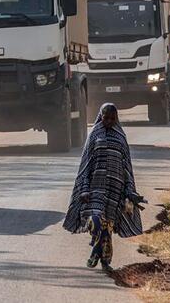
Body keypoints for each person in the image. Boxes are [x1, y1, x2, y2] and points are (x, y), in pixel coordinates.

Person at [63, 103, 144, 272]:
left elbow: (127, 167)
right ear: (100, 116)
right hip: (94, 188)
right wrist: (84, 189)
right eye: (106, 118)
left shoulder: (121, 137)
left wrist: (130, 192)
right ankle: (96, 251)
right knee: (96, 221)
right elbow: (86, 165)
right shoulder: (94, 135)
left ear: (117, 119)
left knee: (108, 227)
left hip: (115, 189)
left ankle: (102, 259)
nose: (108, 121)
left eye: (112, 118)